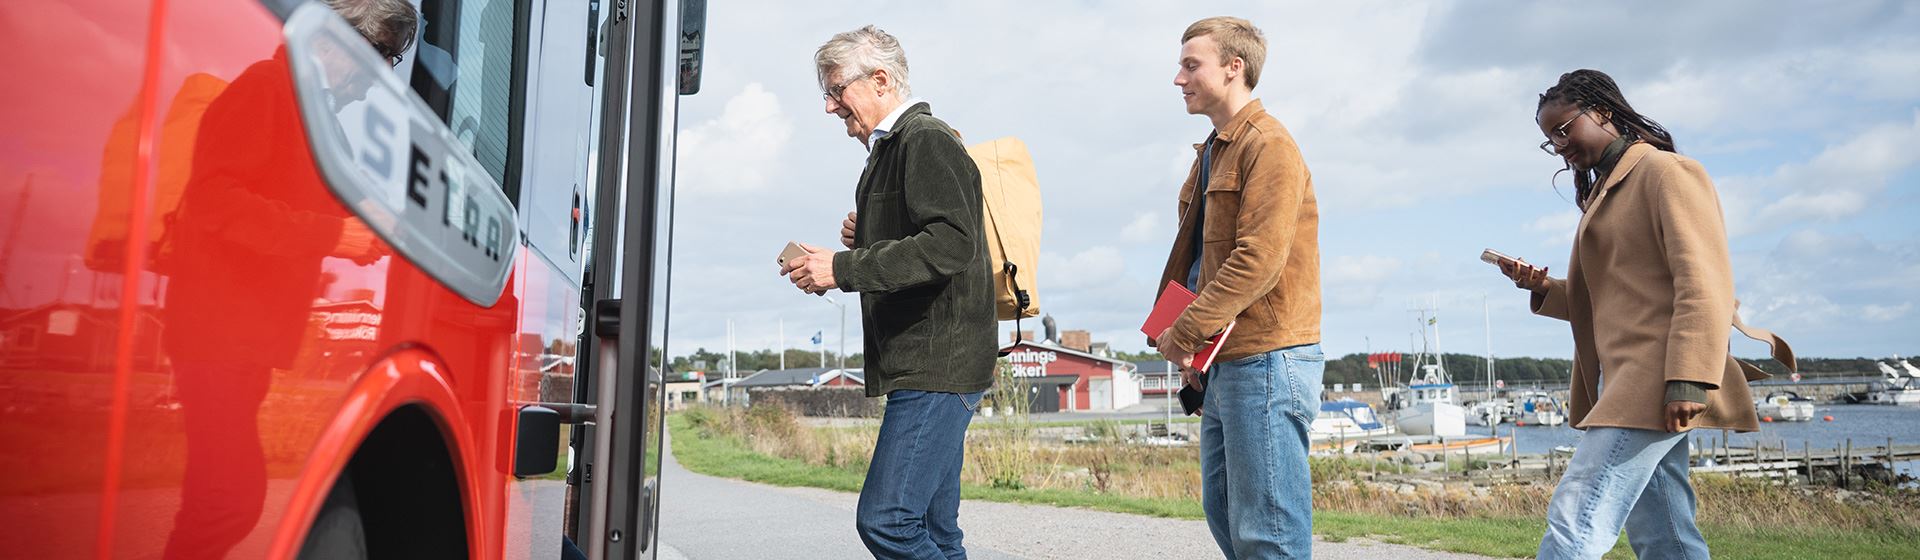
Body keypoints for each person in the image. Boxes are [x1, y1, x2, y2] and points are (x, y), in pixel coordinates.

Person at [159, 1, 409, 557]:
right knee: (230, 499)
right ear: (329, 45)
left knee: (216, 499)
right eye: (374, 61)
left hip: (242, 342)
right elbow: (211, 202)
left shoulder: (316, 125)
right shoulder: (266, 87)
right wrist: (334, 237)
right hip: (215, 335)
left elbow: (353, 201)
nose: (373, 85)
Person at [1500, 69, 1769, 559]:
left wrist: (1689, 378)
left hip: (1655, 376)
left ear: (1602, 111)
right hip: (1623, 378)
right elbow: (1615, 300)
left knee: (1577, 513)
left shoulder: (1668, 173)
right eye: (1548, 140)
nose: (1559, 146)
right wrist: (1542, 288)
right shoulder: (1608, 189)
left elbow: (1704, 282)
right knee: (1663, 531)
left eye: (1564, 130)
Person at [779, 24, 996, 560]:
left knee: (888, 521)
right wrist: (864, 238)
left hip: (937, 366)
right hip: (930, 364)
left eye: (836, 90)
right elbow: (926, 237)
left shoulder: (926, 140)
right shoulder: (888, 151)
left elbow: (951, 244)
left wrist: (844, 267)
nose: (830, 107)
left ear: (880, 80)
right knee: (934, 530)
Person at [1151, 16, 1322, 560]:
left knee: (1268, 536)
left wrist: (1186, 330)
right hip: (1225, 359)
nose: (1179, 78)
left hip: (1267, 360)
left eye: (1190, 65)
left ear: (1234, 67)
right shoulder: (1213, 151)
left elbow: (1258, 261)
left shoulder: (1269, 145)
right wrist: (1189, 347)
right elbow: (1199, 257)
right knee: (1227, 517)